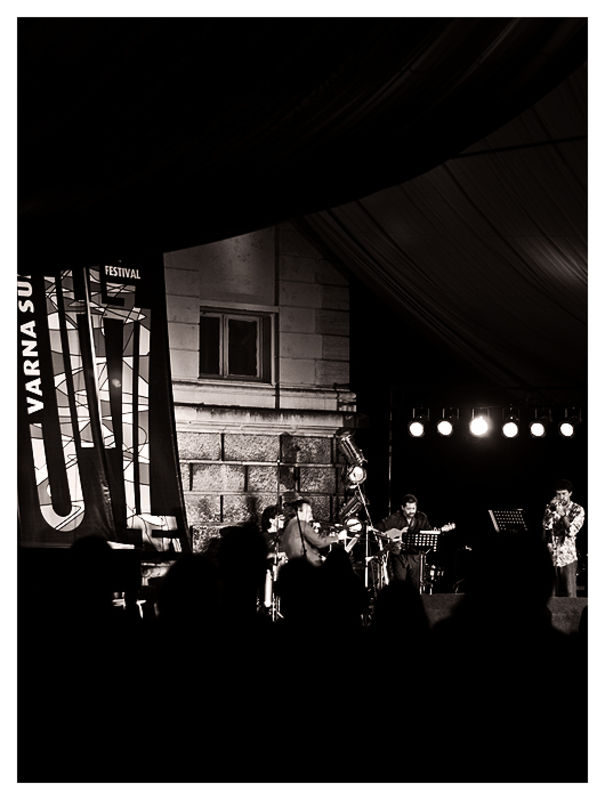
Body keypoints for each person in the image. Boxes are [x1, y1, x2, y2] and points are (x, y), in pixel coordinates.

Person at [376, 493, 431, 590]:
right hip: (399, 556)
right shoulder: (395, 518)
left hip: (415, 556)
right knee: (399, 585)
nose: (412, 511)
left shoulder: (421, 518)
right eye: (408, 509)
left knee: (415, 586)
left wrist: (438, 531)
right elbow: (378, 529)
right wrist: (393, 537)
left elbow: (428, 532)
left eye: (413, 508)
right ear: (402, 507)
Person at [542, 478, 585, 597]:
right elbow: (546, 526)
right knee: (550, 594)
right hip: (552, 555)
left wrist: (564, 515)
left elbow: (571, 531)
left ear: (570, 493)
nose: (561, 497)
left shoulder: (577, 509)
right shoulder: (551, 507)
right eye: (558, 494)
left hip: (567, 557)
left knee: (570, 594)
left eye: (564, 494)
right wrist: (550, 511)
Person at [281, 498, 342, 566]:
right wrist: (338, 537)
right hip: (310, 564)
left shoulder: (290, 524)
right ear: (299, 511)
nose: (311, 515)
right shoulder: (301, 524)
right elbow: (320, 542)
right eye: (308, 512)